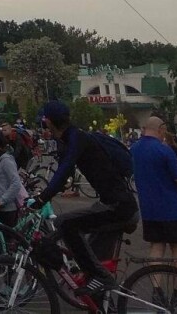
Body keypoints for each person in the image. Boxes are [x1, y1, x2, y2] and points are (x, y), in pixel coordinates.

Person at [31, 100, 140, 296]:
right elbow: (66, 172)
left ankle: (102, 278)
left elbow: (64, 171)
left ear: (49, 122)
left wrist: (42, 199)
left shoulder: (77, 138)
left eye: (44, 121)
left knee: (66, 224)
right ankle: (100, 295)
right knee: (90, 259)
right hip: (114, 204)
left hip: (118, 207)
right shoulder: (70, 138)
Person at [131, 115, 177, 268]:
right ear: (161, 129)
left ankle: (156, 289)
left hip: (149, 209)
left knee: (156, 246)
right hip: (171, 209)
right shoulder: (164, 150)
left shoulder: (135, 149)